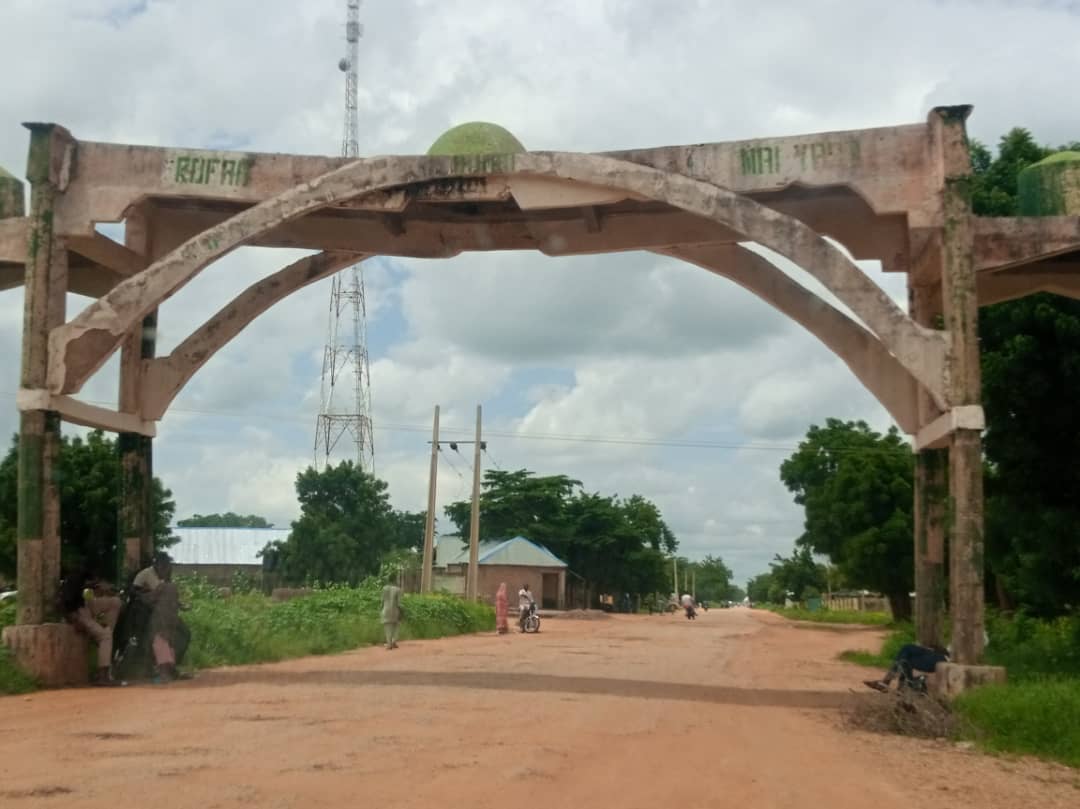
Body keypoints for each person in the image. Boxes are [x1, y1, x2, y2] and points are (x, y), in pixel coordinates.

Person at [59, 567, 122, 686]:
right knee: (105, 636)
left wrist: (104, 590)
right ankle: (103, 676)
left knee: (115, 602)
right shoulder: (74, 581)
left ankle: (105, 632)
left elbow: (92, 592)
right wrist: (74, 620)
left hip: (85, 606)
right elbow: (62, 603)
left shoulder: (83, 581)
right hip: (77, 613)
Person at [133, 554, 190, 682]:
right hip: (163, 617)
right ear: (159, 566)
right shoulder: (167, 585)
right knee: (166, 641)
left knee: (163, 641)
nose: (168, 570)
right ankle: (168, 670)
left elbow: (151, 598)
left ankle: (166, 671)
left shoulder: (163, 586)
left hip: (161, 616)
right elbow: (138, 593)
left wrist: (143, 596)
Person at [864, 643, 949, 692]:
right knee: (906, 656)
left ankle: (889, 682)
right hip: (937, 653)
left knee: (907, 650)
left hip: (943, 657)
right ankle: (901, 686)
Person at [381, 581, 402, 650]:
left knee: (388, 628)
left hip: (386, 609)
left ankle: (389, 644)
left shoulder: (384, 588)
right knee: (397, 626)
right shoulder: (398, 589)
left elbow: (382, 601)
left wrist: (381, 609)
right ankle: (394, 641)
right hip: (395, 610)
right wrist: (402, 611)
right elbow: (399, 603)